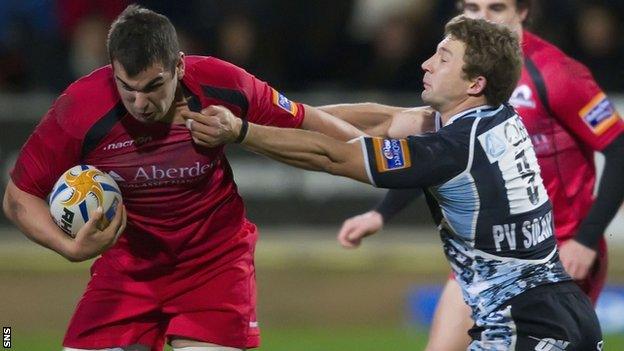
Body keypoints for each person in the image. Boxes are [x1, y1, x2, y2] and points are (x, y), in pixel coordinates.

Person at [185, 15, 603, 350]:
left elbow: (333, 155)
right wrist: (278, 110)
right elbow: (384, 120)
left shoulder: (453, 148)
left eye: (443, 58)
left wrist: (241, 133)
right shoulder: (496, 115)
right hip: (561, 311)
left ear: (474, 84)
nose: (426, 64)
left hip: (525, 326)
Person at [1, 5, 372, 351]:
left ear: (179, 66)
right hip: (128, 270)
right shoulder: (80, 108)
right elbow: (19, 197)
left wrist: (378, 154)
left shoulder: (221, 83)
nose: (139, 102)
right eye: (126, 87)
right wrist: (67, 248)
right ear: (111, 68)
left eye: (152, 86)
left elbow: (308, 121)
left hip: (214, 267)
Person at [337, 0, 624, 349]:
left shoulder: (557, 74)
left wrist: (586, 239)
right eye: (473, 8)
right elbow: (441, 158)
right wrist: (381, 213)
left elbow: (618, 148)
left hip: (556, 258)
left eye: (497, 8)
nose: (483, 18)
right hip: (483, 256)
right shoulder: (459, 82)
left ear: (523, 13)